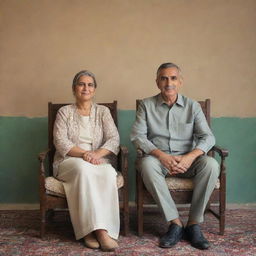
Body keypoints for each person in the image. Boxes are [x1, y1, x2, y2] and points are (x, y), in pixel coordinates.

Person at [131, 62, 219, 250]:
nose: (168, 82)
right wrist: (162, 156)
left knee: (211, 165)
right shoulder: (146, 105)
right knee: (146, 165)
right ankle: (176, 223)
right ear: (157, 82)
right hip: (159, 160)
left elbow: (208, 137)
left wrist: (190, 157)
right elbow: (138, 136)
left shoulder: (192, 106)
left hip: (189, 161)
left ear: (180, 81)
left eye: (173, 78)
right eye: (163, 78)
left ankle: (194, 224)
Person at [53, 70, 120, 252]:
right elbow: (61, 142)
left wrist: (96, 154)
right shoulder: (64, 112)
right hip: (69, 160)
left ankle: (102, 228)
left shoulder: (103, 112)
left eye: (90, 84)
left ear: (95, 89)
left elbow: (114, 139)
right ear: (74, 88)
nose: (86, 88)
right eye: (81, 84)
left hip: (97, 160)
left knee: (108, 172)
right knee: (84, 169)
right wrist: (85, 154)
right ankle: (93, 231)